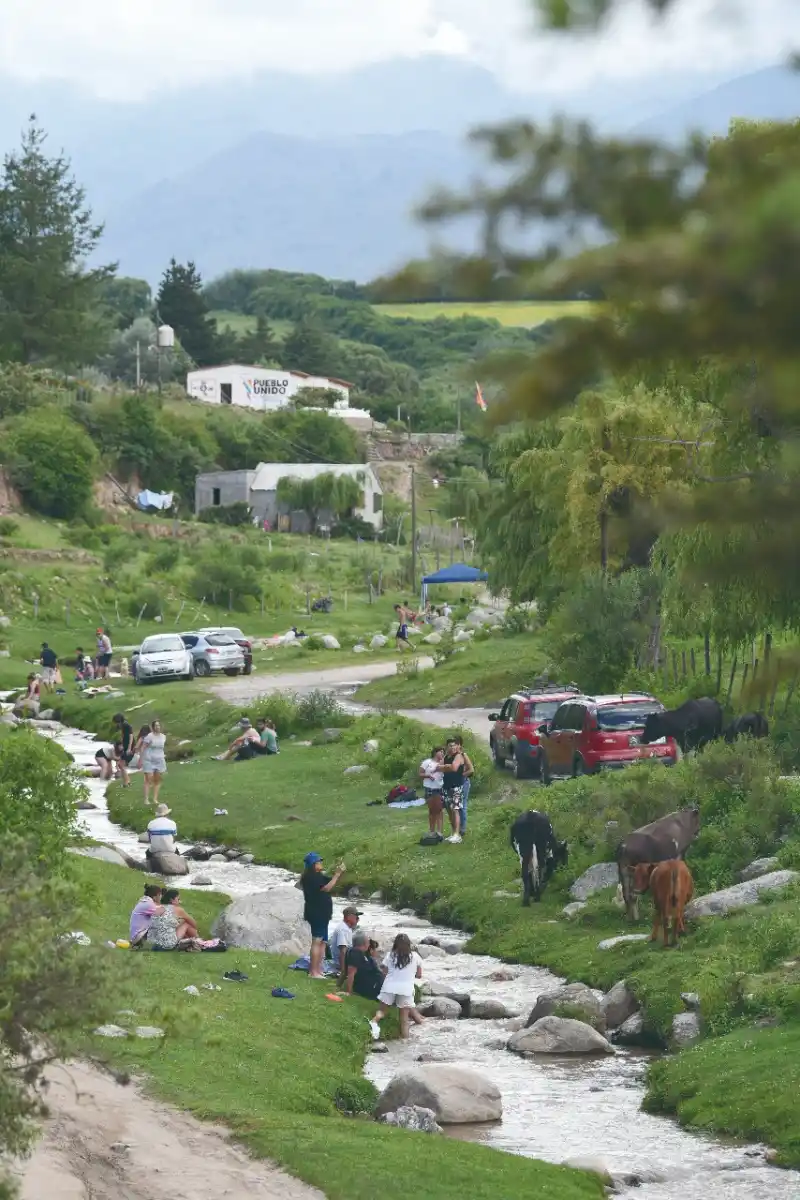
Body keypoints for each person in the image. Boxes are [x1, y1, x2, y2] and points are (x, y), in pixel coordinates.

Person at [370, 933, 424, 1040]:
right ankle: (405, 1041)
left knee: (382, 1011)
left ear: (395, 944)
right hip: (406, 989)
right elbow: (419, 975)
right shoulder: (415, 956)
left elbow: (384, 972)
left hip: (389, 987)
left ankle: (373, 1022)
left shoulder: (390, 955)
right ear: (409, 944)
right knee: (404, 1020)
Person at [300, 852, 346, 979]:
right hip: (317, 913)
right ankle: (313, 972)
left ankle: (319, 970)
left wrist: (339, 873)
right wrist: (336, 875)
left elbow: (332, 882)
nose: (321, 863)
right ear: (313, 864)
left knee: (323, 942)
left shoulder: (317, 875)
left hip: (323, 913)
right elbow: (326, 888)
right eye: (318, 862)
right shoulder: (311, 877)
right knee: (317, 941)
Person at [344, 931, 383, 1000]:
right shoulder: (355, 953)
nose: (369, 944)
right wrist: (348, 992)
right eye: (368, 942)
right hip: (370, 988)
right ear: (364, 943)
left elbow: (345, 971)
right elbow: (351, 973)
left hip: (374, 984)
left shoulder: (362, 953)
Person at [448, 735, 474, 838]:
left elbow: (471, 770)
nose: (454, 747)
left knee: (462, 805)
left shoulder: (463, 755)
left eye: (456, 744)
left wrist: (461, 775)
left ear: (460, 745)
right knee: (454, 806)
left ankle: (462, 828)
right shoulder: (450, 756)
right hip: (453, 784)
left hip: (463, 782)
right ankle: (456, 828)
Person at [441, 737, 466, 844]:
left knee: (455, 809)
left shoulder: (459, 756)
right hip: (446, 786)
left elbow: (454, 768)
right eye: (450, 745)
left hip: (456, 787)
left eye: (454, 745)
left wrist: (445, 766)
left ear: (457, 746)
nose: (452, 747)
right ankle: (453, 832)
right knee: (449, 809)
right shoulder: (446, 756)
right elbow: (438, 766)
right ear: (446, 747)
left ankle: (457, 834)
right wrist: (446, 766)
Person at [329, 905, 362, 980]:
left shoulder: (347, 928)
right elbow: (343, 952)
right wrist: (343, 971)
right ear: (349, 917)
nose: (358, 919)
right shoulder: (343, 929)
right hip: (339, 964)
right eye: (356, 917)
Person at [419, 746, 445, 840]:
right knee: (431, 810)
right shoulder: (427, 762)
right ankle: (432, 831)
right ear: (435, 752)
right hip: (429, 788)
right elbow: (420, 774)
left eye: (443, 752)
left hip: (438, 788)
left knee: (439, 810)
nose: (442, 753)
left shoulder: (443, 764)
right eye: (440, 751)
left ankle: (440, 832)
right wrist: (428, 776)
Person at [141, 719, 167, 806]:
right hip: (149, 760)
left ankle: (155, 799)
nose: (158, 727)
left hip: (159, 760)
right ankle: (146, 799)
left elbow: (161, 748)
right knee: (148, 779)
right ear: (153, 727)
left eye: (159, 725)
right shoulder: (149, 736)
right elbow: (143, 747)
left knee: (157, 780)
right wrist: (141, 759)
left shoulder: (163, 736)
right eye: (156, 725)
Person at [129, 883, 163, 947]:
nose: (161, 897)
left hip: (136, 937)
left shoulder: (145, 901)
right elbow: (162, 914)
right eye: (160, 895)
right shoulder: (148, 904)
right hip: (139, 939)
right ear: (156, 895)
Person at [112, 712, 135, 788]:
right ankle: (126, 782)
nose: (116, 724)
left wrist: (129, 748)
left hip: (129, 747)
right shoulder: (123, 725)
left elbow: (131, 736)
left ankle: (127, 782)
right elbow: (123, 735)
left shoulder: (126, 725)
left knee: (121, 764)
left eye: (116, 722)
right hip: (125, 746)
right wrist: (121, 743)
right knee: (121, 765)